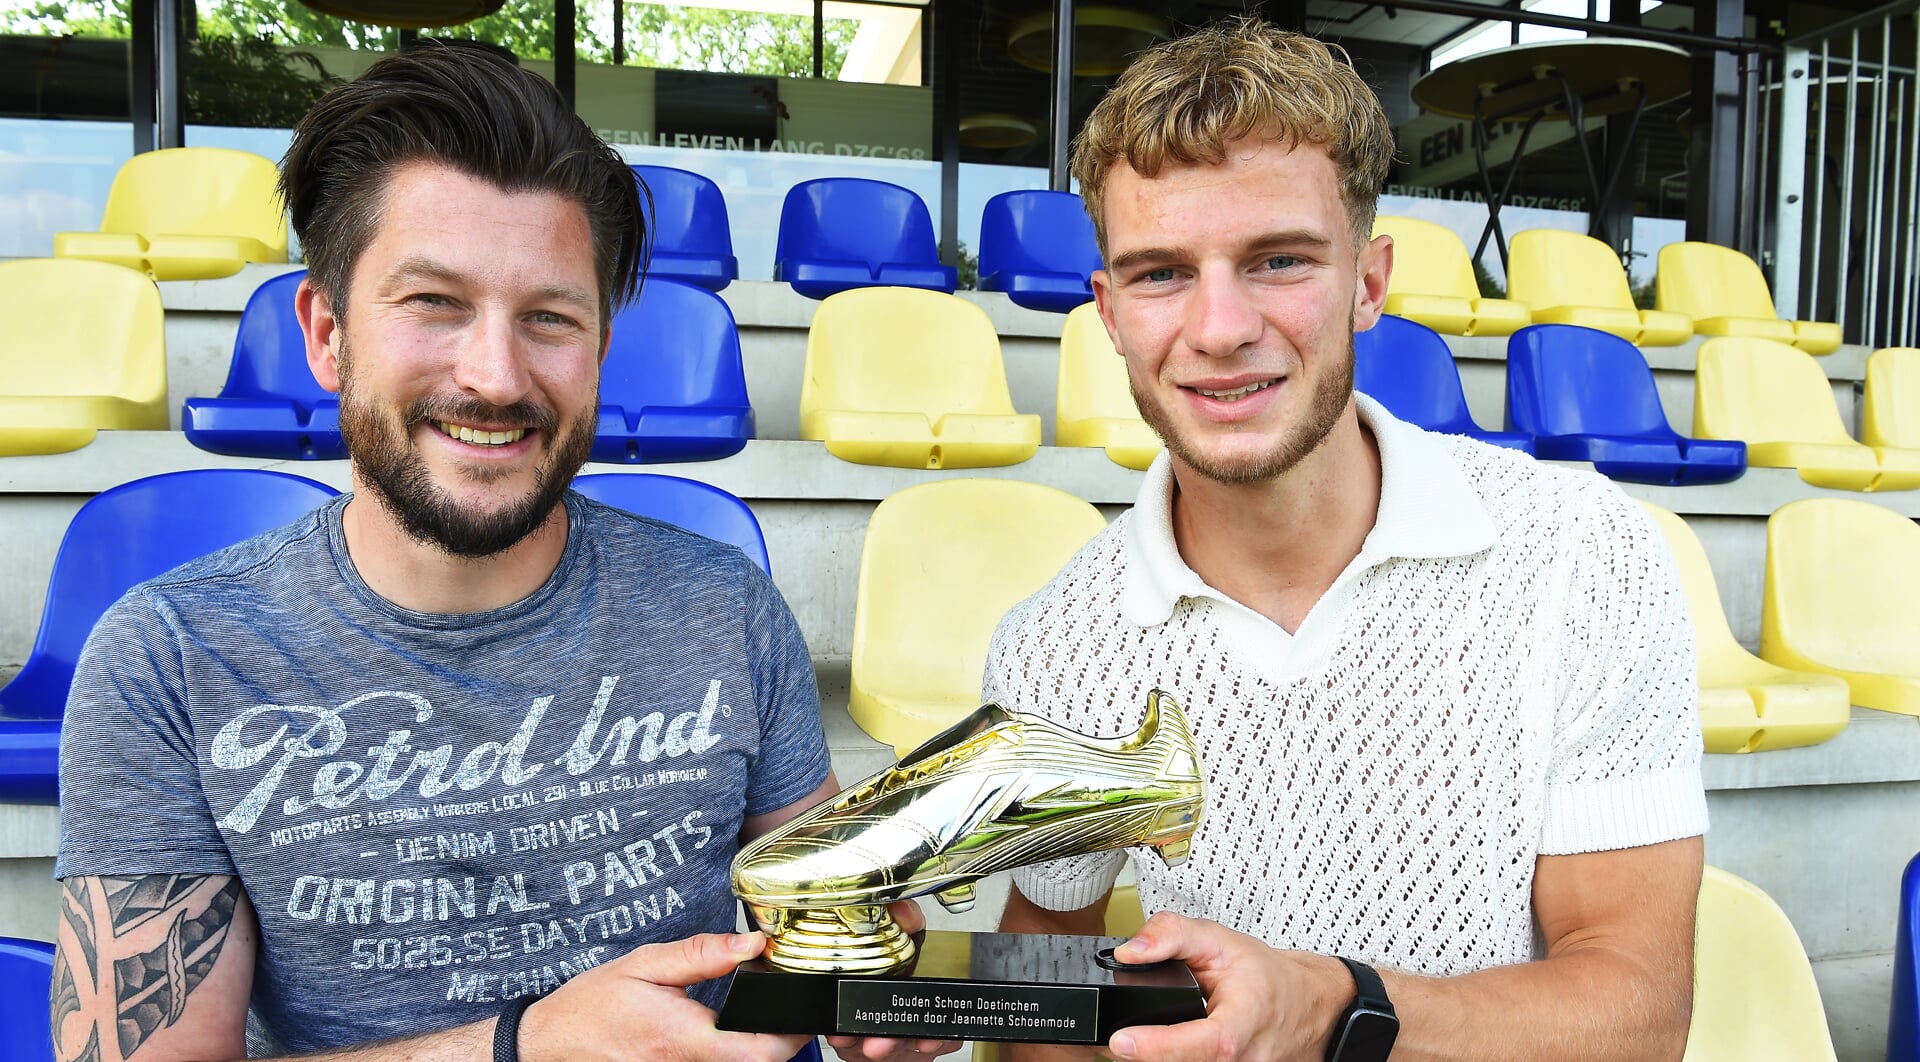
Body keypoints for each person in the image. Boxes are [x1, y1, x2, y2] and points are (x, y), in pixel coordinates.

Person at [49, 42, 941, 1062]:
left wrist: (884, 999)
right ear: (327, 332)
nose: (495, 374)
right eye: (434, 302)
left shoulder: (725, 609)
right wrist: (527, 1045)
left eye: (549, 318)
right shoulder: (171, 660)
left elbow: (826, 916)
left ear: (601, 346)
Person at [989, 19, 1707, 1062]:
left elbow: (1638, 1014)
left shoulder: (1583, 557)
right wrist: (938, 1008)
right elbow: (1046, 960)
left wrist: (1334, 1006)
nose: (1221, 326)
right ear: (1108, 312)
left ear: (1370, 283)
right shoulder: (1058, 644)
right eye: (1159, 274)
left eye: (1278, 259)